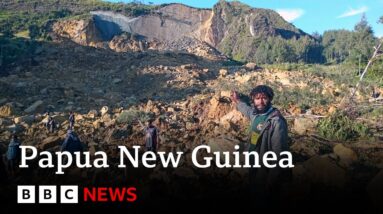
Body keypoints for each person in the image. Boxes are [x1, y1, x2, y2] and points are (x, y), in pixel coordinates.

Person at [231, 85, 290, 203]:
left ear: (270, 99)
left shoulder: (276, 122)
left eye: (264, 98)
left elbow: (279, 157)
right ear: (253, 100)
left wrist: (270, 184)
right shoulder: (255, 114)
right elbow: (246, 110)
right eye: (257, 99)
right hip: (253, 160)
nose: (261, 102)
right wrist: (237, 101)